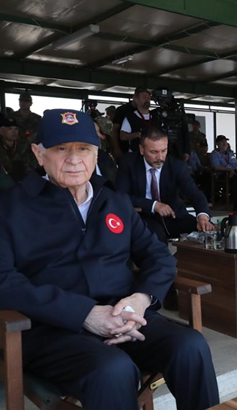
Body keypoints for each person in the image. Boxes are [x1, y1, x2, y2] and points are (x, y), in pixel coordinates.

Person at [0, 109, 219, 410]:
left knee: (190, 346)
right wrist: (84, 314)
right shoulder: (11, 207)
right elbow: (4, 281)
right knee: (113, 370)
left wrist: (140, 299)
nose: (74, 159)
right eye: (61, 149)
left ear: (96, 154)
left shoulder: (114, 201)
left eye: (84, 149)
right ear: (39, 154)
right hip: (54, 327)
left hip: (124, 315)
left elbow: (158, 256)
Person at [116, 126, 215, 244]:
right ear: (142, 149)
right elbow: (121, 196)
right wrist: (154, 205)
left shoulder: (176, 166)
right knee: (156, 237)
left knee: (207, 230)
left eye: (163, 151)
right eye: (154, 152)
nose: (160, 157)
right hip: (144, 216)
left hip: (173, 216)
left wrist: (202, 216)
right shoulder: (129, 163)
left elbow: (194, 194)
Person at [210, 135, 237, 210]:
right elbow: (216, 167)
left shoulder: (230, 153)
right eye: (222, 142)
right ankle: (236, 204)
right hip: (222, 174)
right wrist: (229, 170)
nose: (224, 143)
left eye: (225, 141)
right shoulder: (214, 154)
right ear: (217, 144)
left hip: (234, 172)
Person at [0, 115, 36, 182]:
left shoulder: (24, 145)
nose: (14, 132)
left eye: (16, 129)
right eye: (10, 129)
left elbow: (31, 165)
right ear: (1, 131)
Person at [120, 88, 153, 154]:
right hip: (136, 154)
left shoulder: (156, 116)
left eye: (148, 98)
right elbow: (123, 136)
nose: (147, 100)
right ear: (137, 100)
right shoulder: (130, 117)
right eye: (144, 98)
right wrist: (138, 134)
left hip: (153, 153)